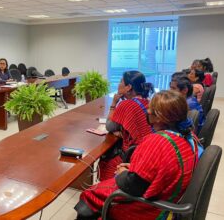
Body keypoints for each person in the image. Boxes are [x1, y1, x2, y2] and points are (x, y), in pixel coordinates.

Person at [76, 90, 201, 220]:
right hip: (168, 199)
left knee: (89, 196)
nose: (147, 110)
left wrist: (122, 173)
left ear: (159, 116)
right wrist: (135, 168)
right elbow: (163, 168)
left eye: (150, 108)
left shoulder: (157, 142)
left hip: (147, 210)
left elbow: (133, 186)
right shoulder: (190, 137)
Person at [100, 71, 154, 181]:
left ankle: (105, 185)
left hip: (133, 157)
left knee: (105, 159)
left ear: (128, 87)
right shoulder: (147, 101)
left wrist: (114, 103)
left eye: (121, 81)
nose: (118, 84)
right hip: (147, 154)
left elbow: (109, 126)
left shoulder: (127, 104)